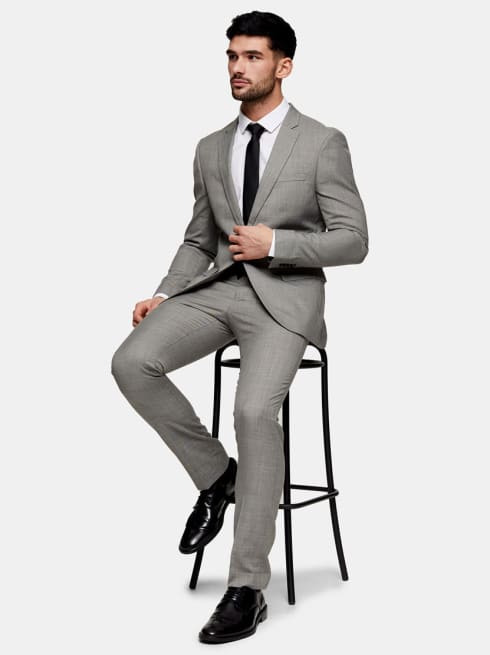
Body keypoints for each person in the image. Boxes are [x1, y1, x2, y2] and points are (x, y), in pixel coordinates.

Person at [111, 10, 368, 644]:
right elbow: (199, 237)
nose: (237, 67)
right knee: (131, 363)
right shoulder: (209, 146)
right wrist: (164, 292)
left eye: (252, 56)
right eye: (231, 55)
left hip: (284, 300)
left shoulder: (322, 141)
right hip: (217, 290)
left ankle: (247, 587)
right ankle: (218, 477)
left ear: (283, 66)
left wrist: (276, 243)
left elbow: (354, 240)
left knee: (254, 413)